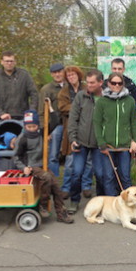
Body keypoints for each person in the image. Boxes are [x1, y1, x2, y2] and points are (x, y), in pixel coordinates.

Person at [12, 110, 73, 224]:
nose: (31, 129)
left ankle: (61, 213)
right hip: (31, 167)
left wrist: (50, 110)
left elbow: (55, 123)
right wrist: (23, 167)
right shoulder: (22, 138)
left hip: (43, 165)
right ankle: (43, 205)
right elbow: (16, 156)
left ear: (37, 125)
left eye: (34, 126)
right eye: (29, 127)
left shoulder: (42, 133)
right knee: (46, 177)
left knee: (56, 186)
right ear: (25, 126)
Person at [93, 72, 136, 196]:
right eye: (113, 83)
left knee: (125, 176)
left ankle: (129, 205)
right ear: (108, 84)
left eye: (119, 83)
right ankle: (112, 207)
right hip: (107, 146)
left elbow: (134, 123)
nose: (116, 85)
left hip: (125, 146)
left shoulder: (130, 100)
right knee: (108, 177)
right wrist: (101, 142)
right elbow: (97, 123)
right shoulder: (102, 102)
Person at [68, 69, 106, 208]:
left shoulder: (106, 98)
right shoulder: (80, 96)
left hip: (99, 144)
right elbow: (73, 119)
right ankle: (74, 201)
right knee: (77, 172)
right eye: (87, 82)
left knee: (101, 174)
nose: (88, 85)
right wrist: (73, 138)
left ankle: (101, 201)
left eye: (92, 83)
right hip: (81, 142)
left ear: (100, 82)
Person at [58, 66, 85, 213]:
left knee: (87, 162)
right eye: (69, 75)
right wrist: (78, 107)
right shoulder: (63, 92)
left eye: (73, 74)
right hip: (71, 128)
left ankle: (86, 187)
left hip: (87, 128)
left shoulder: (86, 87)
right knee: (70, 162)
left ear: (78, 75)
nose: (71, 77)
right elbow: (62, 107)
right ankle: (66, 188)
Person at [0, 51, 38, 120]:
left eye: (11, 61)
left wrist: (31, 111)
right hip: (4, 118)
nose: (9, 63)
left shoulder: (24, 75)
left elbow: (34, 94)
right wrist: (0, 113)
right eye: (7, 61)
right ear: (2, 62)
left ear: (15, 62)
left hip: (23, 117)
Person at [38, 63, 66, 177]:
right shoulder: (46, 89)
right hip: (55, 126)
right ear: (51, 74)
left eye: (59, 72)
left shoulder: (69, 86)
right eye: (55, 73)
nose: (58, 74)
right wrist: (46, 131)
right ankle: (53, 180)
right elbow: (41, 111)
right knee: (53, 155)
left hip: (69, 124)